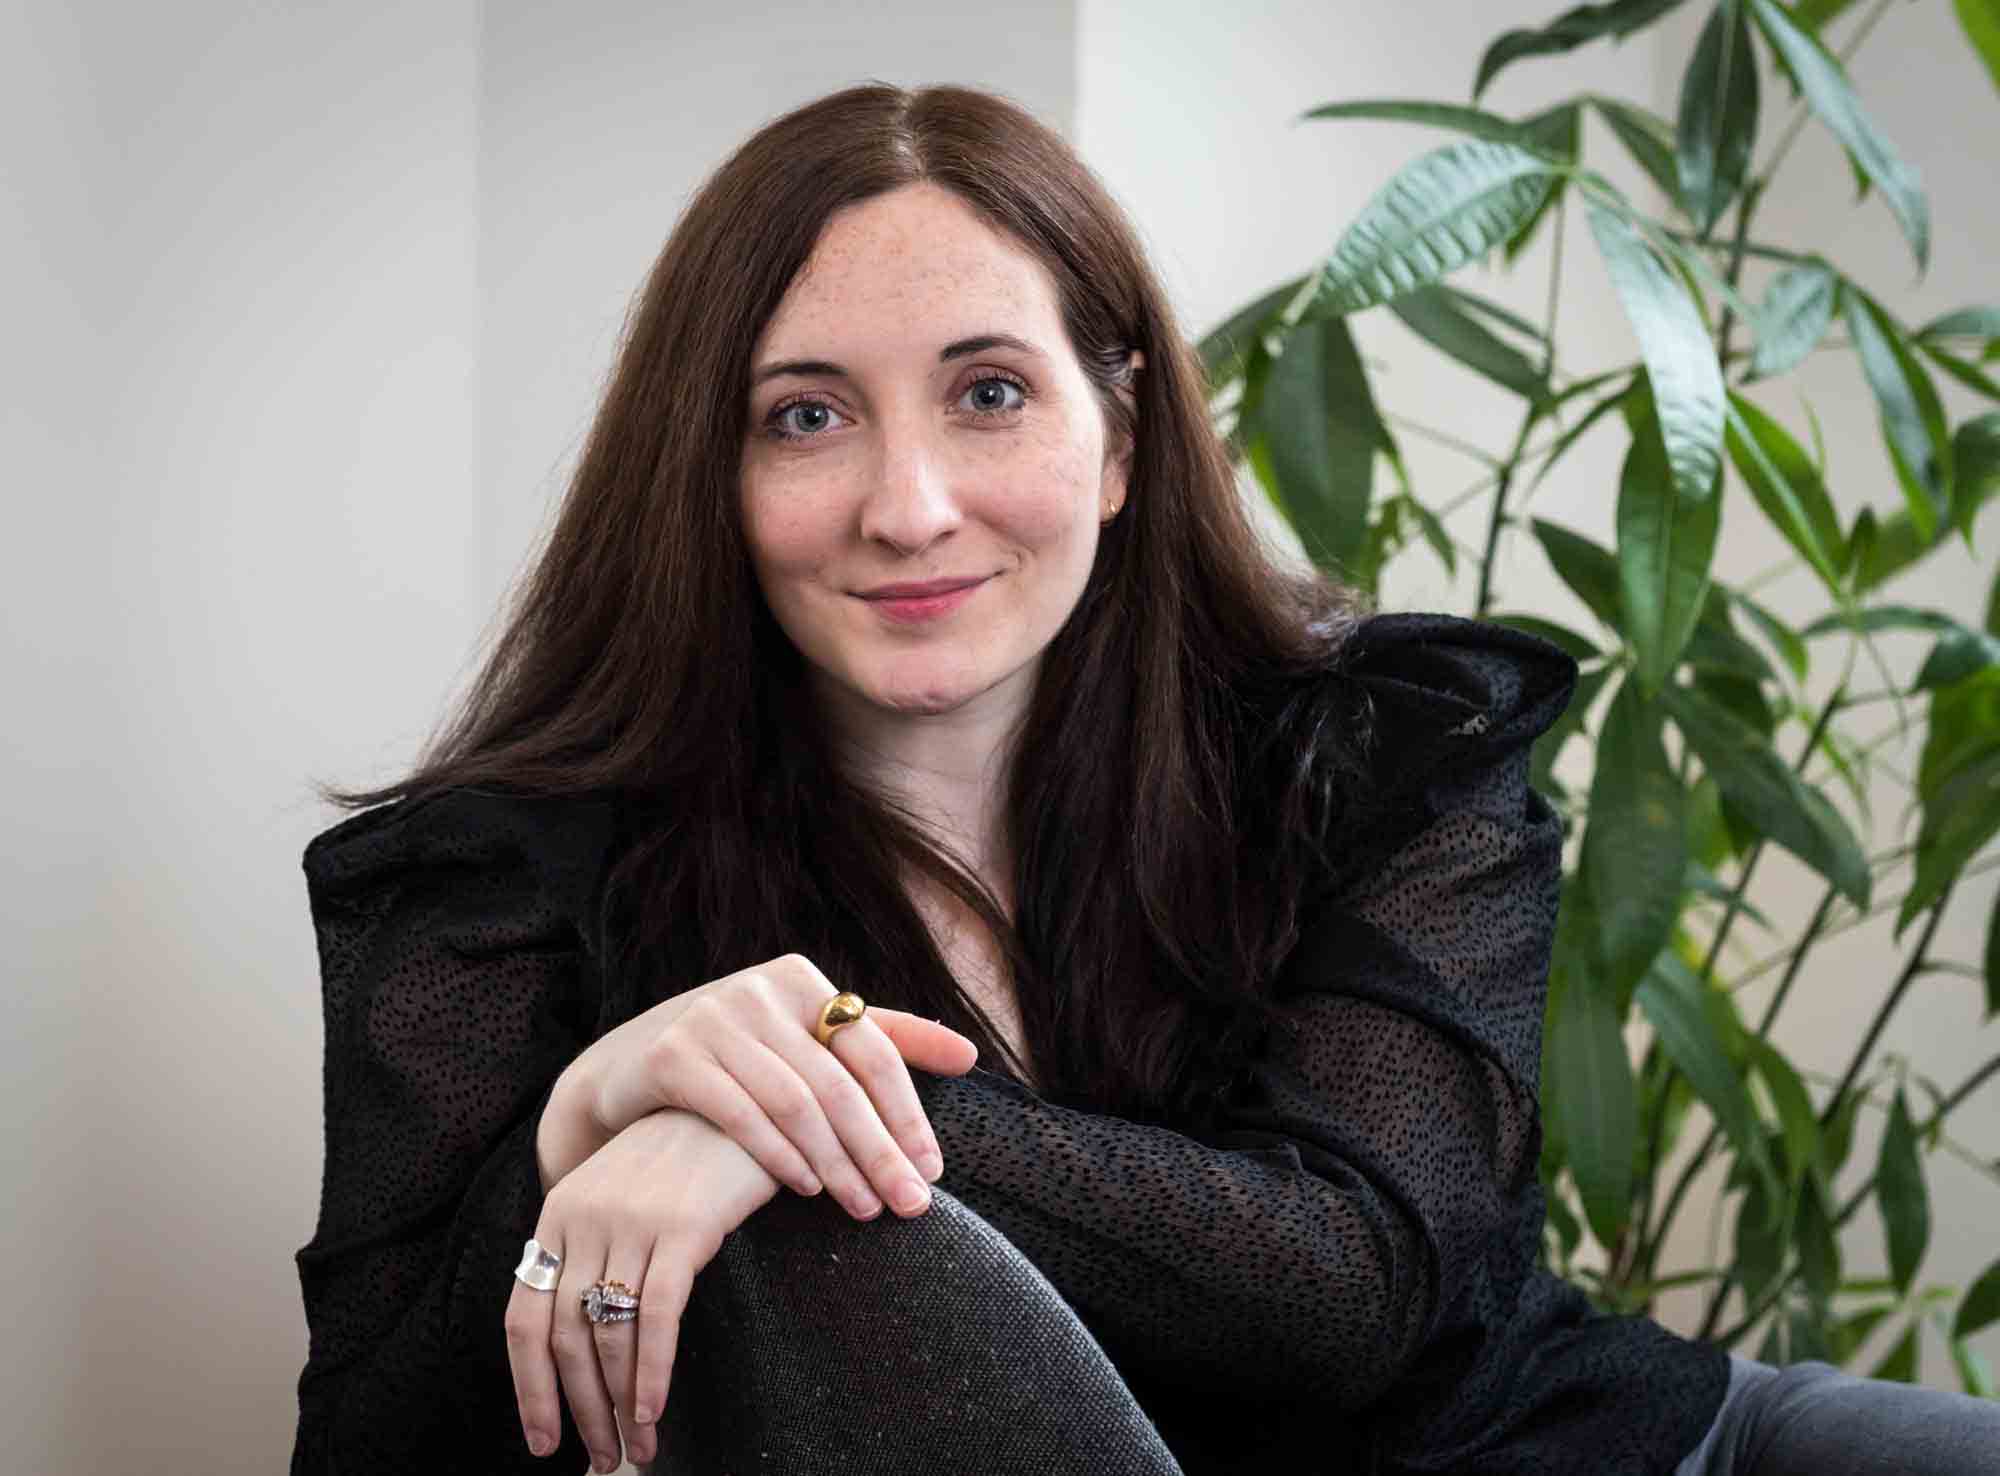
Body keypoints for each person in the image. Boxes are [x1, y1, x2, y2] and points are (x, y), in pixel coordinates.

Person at [289, 82, 2000, 1476]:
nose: (910, 506)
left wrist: (797, 1115)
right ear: (708, 476)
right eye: (805, 417)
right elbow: (370, 1447)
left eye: (989, 393)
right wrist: (590, 1117)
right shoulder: (489, 886)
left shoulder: (1389, 745)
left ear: (1118, 442)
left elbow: (1355, 1286)